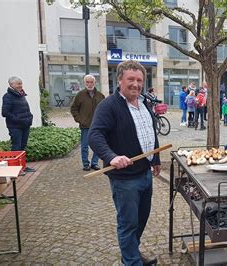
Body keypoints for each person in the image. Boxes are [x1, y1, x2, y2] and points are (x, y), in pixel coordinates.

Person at [88, 60, 160, 266]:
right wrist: (111, 157)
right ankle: (131, 262)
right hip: (125, 179)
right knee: (128, 223)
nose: (136, 84)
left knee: (141, 219)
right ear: (119, 80)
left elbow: (150, 132)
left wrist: (154, 159)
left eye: (139, 80)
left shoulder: (144, 103)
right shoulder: (109, 106)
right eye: (131, 79)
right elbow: (95, 135)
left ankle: (132, 254)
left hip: (145, 173)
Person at [70, 74, 105, 171]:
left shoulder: (100, 96)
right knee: (85, 146)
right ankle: (86, 164)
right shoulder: (80, 95)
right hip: (85, 126)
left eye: (91, 82)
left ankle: (94, 163)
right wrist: (80, 120)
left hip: (98, 126)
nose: (90, 84)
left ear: (95, 83)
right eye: (87, 82)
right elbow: (74, 109)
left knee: (98, 145)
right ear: (84, 83)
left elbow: (105, 109)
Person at [1, 76, 36, 173]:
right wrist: (18, 119)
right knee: (16, 146)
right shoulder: (8, 96)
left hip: (25, 125)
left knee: (23, 146)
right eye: (18, 84)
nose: (21, 85)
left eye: (21, 83)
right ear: (11, 85)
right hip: (15, 126)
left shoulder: (21, 95)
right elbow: (5, 113)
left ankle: (23, 166)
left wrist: (29, 117)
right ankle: (15, 169)